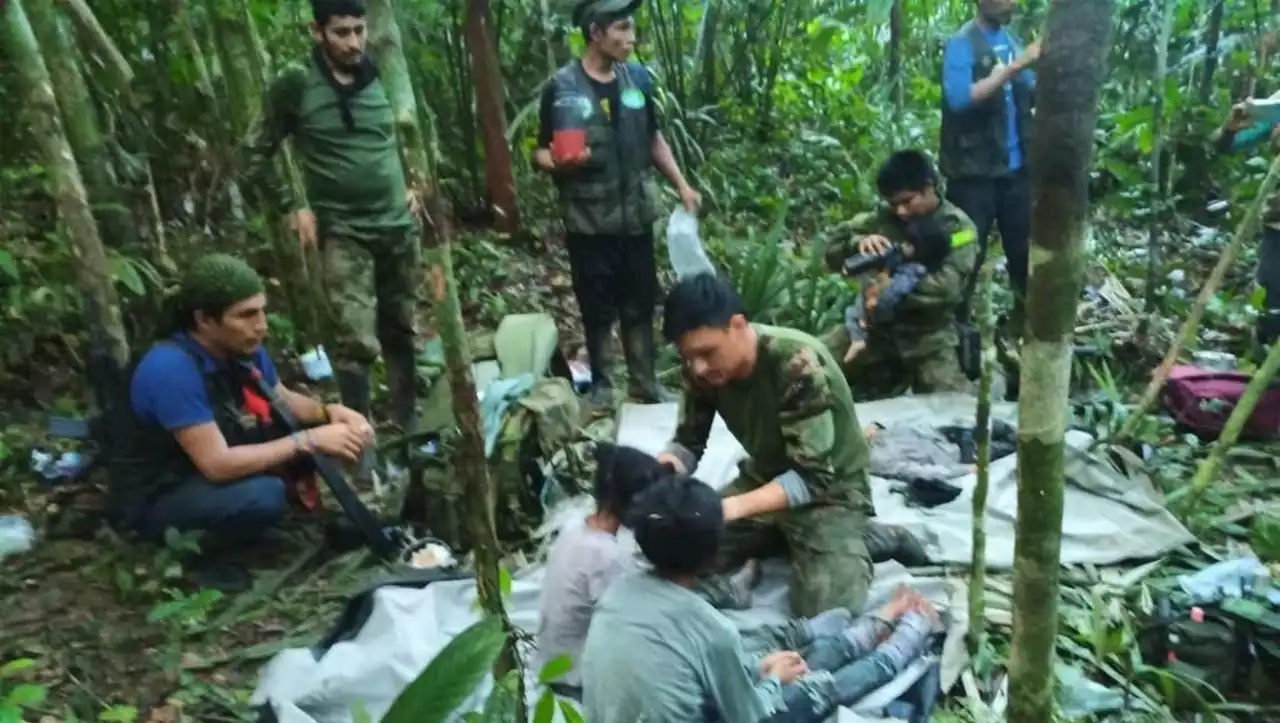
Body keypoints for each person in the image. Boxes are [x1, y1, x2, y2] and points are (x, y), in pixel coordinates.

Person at [108, 254, 374, 590]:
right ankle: (200, 553)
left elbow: (282, 399)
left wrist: (330, 413)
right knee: (264, 495)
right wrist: (311, 440)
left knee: (305, 435)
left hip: (210, 462)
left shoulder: (242, 347)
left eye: (262, 311)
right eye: (246, 315)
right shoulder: (170, 369)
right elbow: (216, 464)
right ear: (204, 320)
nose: (261, 325)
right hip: (162, 492)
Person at [581, 475, 938, 722]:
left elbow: (687, 670)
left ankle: (864, 633)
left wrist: (763, 671)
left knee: (778, 661)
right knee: (813, 688)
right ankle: (900, 644)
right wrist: (769, 682)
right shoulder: (711, 630)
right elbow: (749, 716)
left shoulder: (618, 594)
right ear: (713, 553)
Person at [654, 273, 905, 617]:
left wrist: (729, 509)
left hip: (830, 492)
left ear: (738, 325)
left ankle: (867, 538)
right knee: (673, 554)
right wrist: (665, 469)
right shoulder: (702, 369)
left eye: (707, 353)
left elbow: (812, 478)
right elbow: (688, 441)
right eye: (688, 357)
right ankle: (781, 537)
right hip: (764, 477)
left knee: (827, 611)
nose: (698, 367)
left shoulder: (797, 364)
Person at [244, 0, 421, 448]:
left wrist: (415, 179)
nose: (353, 42)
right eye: (341, 32)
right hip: (343, 230)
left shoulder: (383, 71)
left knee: (401, 324)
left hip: (398, 225)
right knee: (355, 338)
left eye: (359, 30)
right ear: (316, 31)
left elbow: (409, 132)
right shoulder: (296, 83)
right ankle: (357, 435)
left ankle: (408, 418)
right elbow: (252, 152)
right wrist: (292, 206)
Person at [533, 0, 701, 407]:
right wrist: (557, 162)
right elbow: (538, 152)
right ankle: (604, 385)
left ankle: (644, 382)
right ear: (596, 33)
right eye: (622, 29)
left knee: (640, 303)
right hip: (588, 221)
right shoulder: (562, 86)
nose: (631, 38)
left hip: (636, 217)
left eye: (632, 29)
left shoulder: (638, 80)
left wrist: (681, 184)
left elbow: (651, 137)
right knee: (596, 307)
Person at [823, 150, 979, 399]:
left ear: (930, 187)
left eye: (908, 201)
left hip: (929, 338)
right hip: (874, 331)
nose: (901, 212)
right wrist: (858, 242)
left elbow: (946, 288)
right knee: (810, 364)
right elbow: (830, 252)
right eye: (894, 203)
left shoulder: (957, 227)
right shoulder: (881, 218)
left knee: (955, 412)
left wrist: (887, 290)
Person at [939, 0, 1038, 340]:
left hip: (1014, 173)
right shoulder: (962, 44)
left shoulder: (1010, 41)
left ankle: (1023, 329)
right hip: (973, 178)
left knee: (1023, 252)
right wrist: (1010, 70)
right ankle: (957, 334)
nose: (1014, 3)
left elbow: (1031, 87)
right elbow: (959, 99)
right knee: (967, 251)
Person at [533, 442, 660, 700]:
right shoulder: (607, 556)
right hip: (573, 675)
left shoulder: (575, 526)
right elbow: (629, 623)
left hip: (549, 659)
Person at [1213, 101, 1280, 359]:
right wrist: (1230, 129)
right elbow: (1224, 145)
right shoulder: (1274, 113)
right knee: (1271, 305)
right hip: (1277, 225)